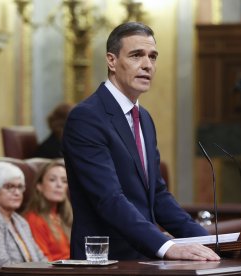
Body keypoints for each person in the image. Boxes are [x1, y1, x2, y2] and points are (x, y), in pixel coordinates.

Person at [62, 22, 220, 261]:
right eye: (136, 55)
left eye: (153, 57)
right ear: (111, 61)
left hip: (145, 258)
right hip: (105, 262)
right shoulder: (87, 117)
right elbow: (109, 199)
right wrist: (167, 247)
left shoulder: (143, 117)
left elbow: (157, 195)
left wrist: (210, 243)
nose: (147, 65)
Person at [23, 160, 72, 261]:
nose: (59, 185)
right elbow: (44, 262)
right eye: (52, 180)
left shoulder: (66, 216)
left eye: (64, 181)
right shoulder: (33, 219)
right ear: (39, 186)